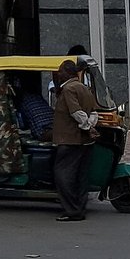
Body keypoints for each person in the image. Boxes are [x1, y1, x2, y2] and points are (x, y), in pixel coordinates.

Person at [51, 58, 99, 222]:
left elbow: (76, 112)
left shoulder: (69, 89)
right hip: (84, 142)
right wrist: (90, 126)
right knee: (80, 176)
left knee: (63, 175)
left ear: (67, 73)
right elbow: (94, 112)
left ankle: (71, 210)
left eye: (60, 71)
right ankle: (79, 208)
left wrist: (87, 127)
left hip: (70, 140)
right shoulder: (84, 88)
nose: (58, 74)